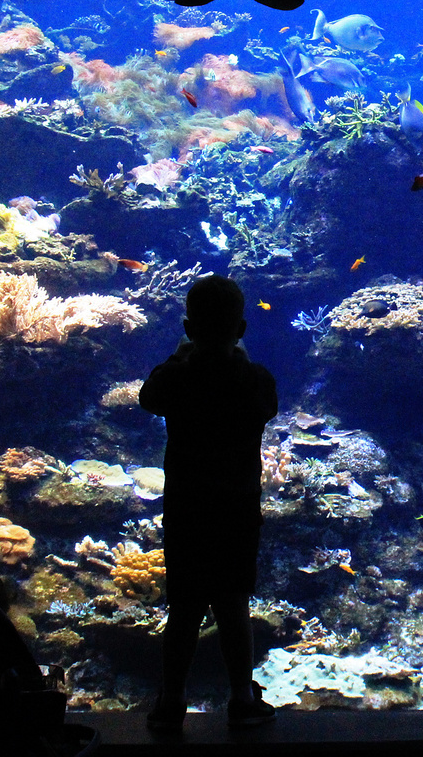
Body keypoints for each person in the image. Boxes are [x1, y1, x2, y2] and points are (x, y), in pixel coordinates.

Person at [139, 275, 279, 732]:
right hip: (237, 509)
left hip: (188, 508)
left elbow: (149, 396)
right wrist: (236, 356)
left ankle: (171, 701)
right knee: (233, 603)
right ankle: (241, 697)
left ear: (187, 326)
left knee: (184, 607)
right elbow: (268, 405)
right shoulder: (254, 378)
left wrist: (182, 354)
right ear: (241, 329)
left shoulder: (178, 376)